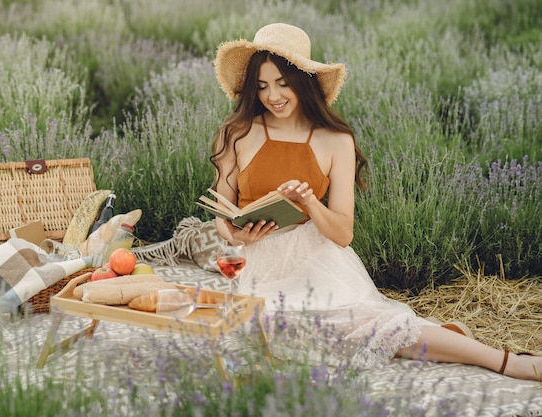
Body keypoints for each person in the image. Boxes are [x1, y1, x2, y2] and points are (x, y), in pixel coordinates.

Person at [209, 22, 541, 380]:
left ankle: (505, 360)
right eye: (262, 86)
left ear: (303, 81)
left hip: (317, 258)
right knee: (277, 336)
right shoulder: (236, 132)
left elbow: (342, 233)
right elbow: (222, 215)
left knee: (368, 328)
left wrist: (310, 203)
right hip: (263, 265)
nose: (273, 96)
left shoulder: (335, 140)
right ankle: (446, 339)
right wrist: (237, 236)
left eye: (283, 83)